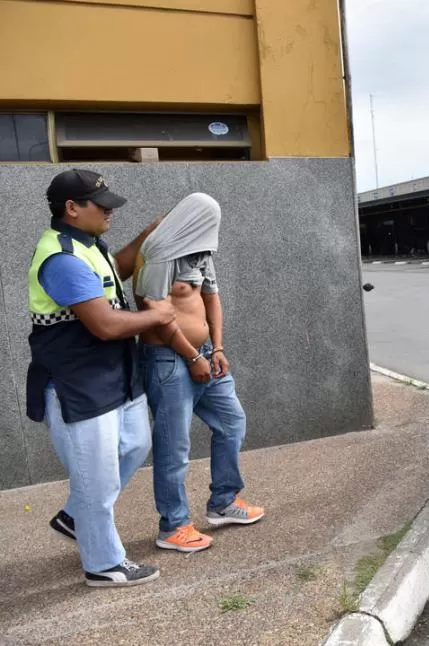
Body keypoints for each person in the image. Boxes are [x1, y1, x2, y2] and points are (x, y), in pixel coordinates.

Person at [27, 168, 176, 588]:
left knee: (135, 444)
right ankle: (104, 564)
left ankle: (76, 516)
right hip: (79, 383)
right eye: (102, 204)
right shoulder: (61, 258)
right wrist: (158, 315)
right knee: (97, 478)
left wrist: (150, 234)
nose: (110, 211)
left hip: (112, 376)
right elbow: (106, 325)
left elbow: (118, 269)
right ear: (72, 208)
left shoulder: (89, 244)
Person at [134, 193, 263, 554]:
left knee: (231, 422)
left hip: (206, 355)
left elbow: (212, 299)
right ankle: (173, 526)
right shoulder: (158, 251)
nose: (213, 230)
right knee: (174, 446)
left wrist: (217, 348)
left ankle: (224, 501)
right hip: (168, 360)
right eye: (208, 222)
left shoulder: (201, 252)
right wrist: (192, 357)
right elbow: (155, 310)